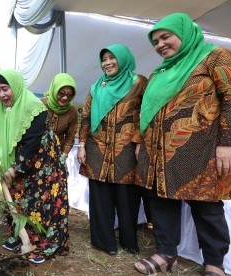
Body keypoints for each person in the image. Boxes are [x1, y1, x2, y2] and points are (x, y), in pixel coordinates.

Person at [134, 13, 231, 276]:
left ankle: (214, 262)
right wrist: (143, 141)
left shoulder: (214, 57)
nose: (160, 45)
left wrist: (227, 143)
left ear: (185, 33)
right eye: (155, 41)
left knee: (206, 203)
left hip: (201, 150)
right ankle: (166, 253)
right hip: (158, 151)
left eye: (166, 37)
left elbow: (230, 98)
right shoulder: (160, 72)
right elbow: (148, 111)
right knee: (161, 200)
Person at [0, 69, 69, 264]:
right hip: (19, 163)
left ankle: (42, 244)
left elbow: (32, 143)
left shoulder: (33, 107)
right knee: (18, 200)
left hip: (42, 165)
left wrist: (13, 170)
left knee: (39, 201)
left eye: (5, 89)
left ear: (15, 86)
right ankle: (21, 236)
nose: (1, 95)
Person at [77, 44, 147, 256]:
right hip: (96, 147)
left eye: (111, 58)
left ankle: (128, 241)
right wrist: (81, 145)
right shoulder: (97, 86)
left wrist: (139, 141)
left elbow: (148, 112)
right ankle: (104, 241)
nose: (107, 63)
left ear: (123, 58)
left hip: (126, 149)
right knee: (100, 196)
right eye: (104, 59)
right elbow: (87, 116)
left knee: (127, 196)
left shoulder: (138, 83)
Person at [42, 73, 78, 156]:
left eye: (69, 95)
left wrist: (64, 155)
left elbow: (70, 137)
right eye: (61, 93)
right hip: (36, 152)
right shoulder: (41, 105)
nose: (65, 98)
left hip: (58, 153)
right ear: (54, 89)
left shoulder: (72, 111)